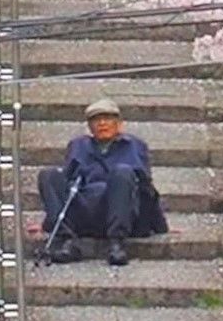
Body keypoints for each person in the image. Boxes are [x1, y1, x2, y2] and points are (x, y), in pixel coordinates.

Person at [38, 98, 165, 267]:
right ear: (89, 126)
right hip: (84, 206)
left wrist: (157, 223)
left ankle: (116, 243)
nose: (102, 124)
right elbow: (65, 181)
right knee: (49, 175)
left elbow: (145, 187)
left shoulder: (134, 145)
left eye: (108, 119)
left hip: (120, 208)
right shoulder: (78, 145)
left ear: (119, 124)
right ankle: (66, 240)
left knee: (123, 172)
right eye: (96, 120)